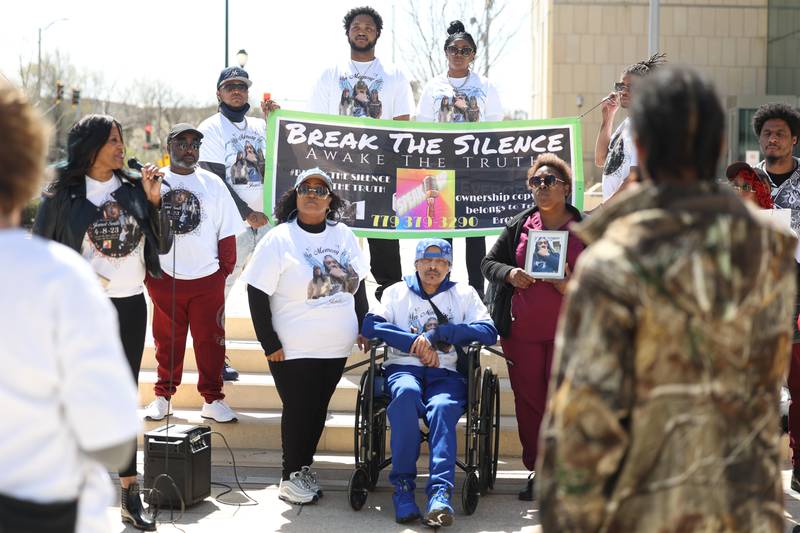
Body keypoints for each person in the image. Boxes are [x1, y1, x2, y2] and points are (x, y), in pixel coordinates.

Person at [537, 66, 797, 532]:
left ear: (644, 146)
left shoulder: (611, 262)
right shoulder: (768, 253)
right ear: (718, 148)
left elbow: (580, 429)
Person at [0, 81, 140, 533]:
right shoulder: (59, 277)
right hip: (39, 504)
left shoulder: (134, 188)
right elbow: (110, 431)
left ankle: (130, 496)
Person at [33, 114, 172, 531]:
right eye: (113, 140)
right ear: (91, 146)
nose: (120, 147)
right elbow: (40, 256)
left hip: (129, 307)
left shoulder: (133, 189)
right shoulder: (61, 196)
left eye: (121, 139)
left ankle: (130, 492)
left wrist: (153, 201)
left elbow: (162, 244)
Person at [242, 167, 370, 505]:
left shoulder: (343, 234)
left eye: (320, 189)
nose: (312, 194)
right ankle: (289, 476)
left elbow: (357, 285)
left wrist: (363, 324)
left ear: (330, 201)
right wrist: (268, 342)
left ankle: (303, 468)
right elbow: (256, 291)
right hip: (293, 347)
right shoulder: (279, 238)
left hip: (336, 345)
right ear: (296, 196)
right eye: (306, 188)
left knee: (317, 410)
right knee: (299, 409)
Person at [362, 239, 498, 527]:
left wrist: (441, 335)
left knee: (442, 408)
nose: (433, 267)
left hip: (446, 374)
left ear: (449, 266)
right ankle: (403, 491)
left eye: (440, 262)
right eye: (427, 261)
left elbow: (488, 331)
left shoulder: (463, 293)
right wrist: (415, 342)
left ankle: (439, 495)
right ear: (416, 264)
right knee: (406, 396)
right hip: (404, 369)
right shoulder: (396, 292)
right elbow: (371, 326)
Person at [481, 154, 584, 501]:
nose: (542, 187)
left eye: (549, 181)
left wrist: (572, 285)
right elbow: (488, 263)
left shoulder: (585, 229)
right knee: (530, 402)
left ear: (566, 188)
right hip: (522, 333)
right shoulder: (520, 225)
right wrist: (510, 273)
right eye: (536, 182)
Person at [309, 5, 415, 301]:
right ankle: (343, 306)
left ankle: (388, 314)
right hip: (339, 174)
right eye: (357, 27)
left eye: (368, 27)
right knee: (339, 243)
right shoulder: (330, 74)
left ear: (377, 34)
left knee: (384, 247)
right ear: (348, 32)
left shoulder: (393, 75)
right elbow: (314, 124)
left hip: (379, 175)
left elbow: (402, 126)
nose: (362, 31)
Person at [142, 123, 244, 424]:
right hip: (166, 279)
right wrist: (151, 275)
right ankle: (163, 396)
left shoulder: (213, 183)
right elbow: (144, 229)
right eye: (182, 142)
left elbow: (227, 232)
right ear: (169, 146)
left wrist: (221, 273)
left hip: (206, 279)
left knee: (211, 341)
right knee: (166, 342)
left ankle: (213, 399)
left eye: (195, 144)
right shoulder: (155, 181)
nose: (189, 148)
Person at [198, 66, 281, 382]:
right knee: (220, 289)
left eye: (242, 86)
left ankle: (284, 351)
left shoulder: (261, 125)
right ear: (219, 93)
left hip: (269, 222)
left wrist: (276, 120)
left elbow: (285, 156)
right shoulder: (211, 128)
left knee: (279, 285)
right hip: (233, 224)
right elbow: (215, 177)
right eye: (230, 86)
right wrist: (247, 212)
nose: (237, 91)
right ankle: (216, 358)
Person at [415, 20, 503, 299]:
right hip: (441, 170)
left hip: (474, 170)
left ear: (473, 55)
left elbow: (495, 126)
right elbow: (423, 127)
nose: (459, 54)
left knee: (475, 234)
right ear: (446, 51)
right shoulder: (433, 86)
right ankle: (441, 292)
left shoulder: (485, 85)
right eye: (454, 49)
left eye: (465, 50)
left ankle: (476, 294)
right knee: (443, 234)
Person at [751, 103, 800, 491]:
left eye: (780, 133)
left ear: (794, 138)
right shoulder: (745, 183)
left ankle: (798, 468)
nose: (773, 138)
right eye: (767, 133)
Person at [594, 52, 666, 203]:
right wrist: (608, 117)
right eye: (621, 86)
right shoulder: (628, 123)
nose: (624, 92)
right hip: (617, 214)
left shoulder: (645, 124)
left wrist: (600, 211)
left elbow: (634, 178)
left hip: (629, 214)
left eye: (631, 87)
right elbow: (601, 160)